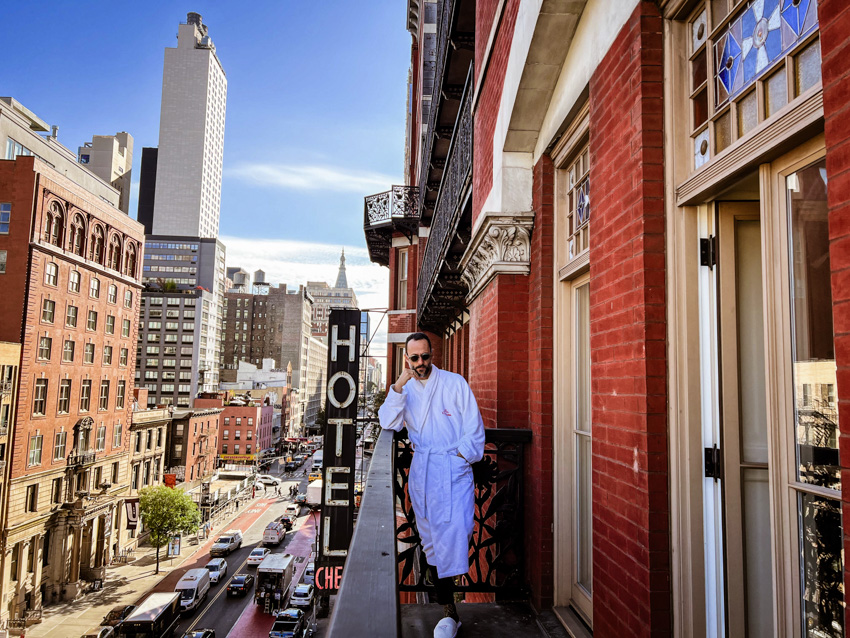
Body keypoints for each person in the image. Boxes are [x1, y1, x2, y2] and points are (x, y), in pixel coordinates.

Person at [379, 332, 485, 638]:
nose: (421, 363)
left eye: (425, 356)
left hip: (452, 473)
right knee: (431, 546)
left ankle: (453, 612)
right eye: (415, 358)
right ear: (407, 359)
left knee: (455, 536)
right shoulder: (406, 390)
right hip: (423, 475)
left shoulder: (455, 383)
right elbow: (387, 422)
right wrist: (398, 384)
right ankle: (448, 614)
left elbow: (474, 432)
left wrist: (458, 459)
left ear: (432, 354)